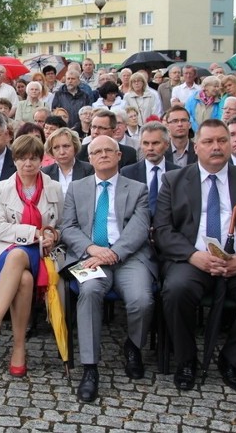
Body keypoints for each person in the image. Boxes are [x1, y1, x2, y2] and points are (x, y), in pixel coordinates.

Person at [154, 119, 236, 393]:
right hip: (194, 260)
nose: (216, 147)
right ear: (196, 146)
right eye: (209, 142)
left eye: (222, 141)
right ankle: (186, 360)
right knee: (175, 291)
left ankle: (233, 361)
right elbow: (163, 230)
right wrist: (192, 255)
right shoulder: (174, 180)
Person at [60, 134, 155, 402]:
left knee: (142, 300)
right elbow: (67, 227)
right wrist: (92, 250)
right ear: (89, 159)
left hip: (129, 256)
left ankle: (134, 346)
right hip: (89, 256)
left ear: (119, 156)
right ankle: (90, 368)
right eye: (96, 151)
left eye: (108, 151)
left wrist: (112, 253)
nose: (102, 155)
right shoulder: (76, 188)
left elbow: (138, 230)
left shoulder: (137, 189)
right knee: (89, 292)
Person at [0, 135, 63, 377]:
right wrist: (34, 232)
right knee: (22, 274)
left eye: (33, 158)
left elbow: (63, 224)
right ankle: (18, 347)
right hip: (5, 249)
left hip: (44, 253)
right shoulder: (2, 188)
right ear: (15, 160)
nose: (28, 164)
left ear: (42, 160)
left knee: (21, 264)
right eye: (22, 158)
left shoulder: (54, 187)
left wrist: (53, 235)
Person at [120, 121, 179, 217]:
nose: (150, 148)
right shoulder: (127, 173)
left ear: (167, 145)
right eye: (146, 143)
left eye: (155, 143)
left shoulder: (178, 173)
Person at [41, 127, 93, 196]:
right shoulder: (45, 173)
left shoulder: (88, 169)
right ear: (51, 151)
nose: (62, 152)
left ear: (75, 147)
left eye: (66, 146)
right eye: (56, 147)